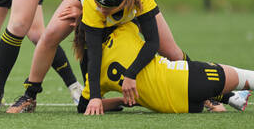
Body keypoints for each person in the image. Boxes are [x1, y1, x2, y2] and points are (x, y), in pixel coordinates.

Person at [6, 0, 195, 113]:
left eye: (107, 9)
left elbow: (153, 42)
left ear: (124, 4)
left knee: (171, 49)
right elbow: (94, 51)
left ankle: (206, 95)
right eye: (99, 6)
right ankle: (30, 95)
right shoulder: (93, 1)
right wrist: (95, 97)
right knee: (50, 35)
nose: (101, 11)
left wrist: (131, 75)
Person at [74, 19, 251, 114]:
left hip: (179, 108)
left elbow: (84, 107)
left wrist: (121, 100)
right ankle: (230, 96)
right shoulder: (124, 30)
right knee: (248, 78)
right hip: (186, 80)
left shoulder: (94, 76)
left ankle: (230, 97)